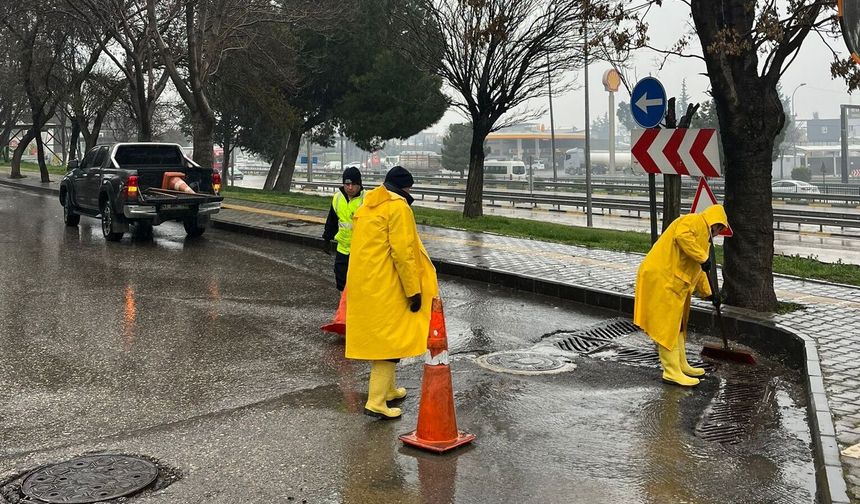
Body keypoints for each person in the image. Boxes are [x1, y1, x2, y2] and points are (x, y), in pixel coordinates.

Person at [344, 166, 438, 419]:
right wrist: (413, 290)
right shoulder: (398, 207)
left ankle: (389, 390)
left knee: (386, 338)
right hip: (388, 284)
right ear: (405, 186)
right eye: (409, 188)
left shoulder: (368, 205)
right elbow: (403, 253)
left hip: (367, 283)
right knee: (389, 343)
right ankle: (376, 401)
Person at [633, 204, 729, 387]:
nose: (718, 234)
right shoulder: (692, 221)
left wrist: (710, 294)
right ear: (715, 224)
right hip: (663, 279)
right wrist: (703, 258)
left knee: (678, 326)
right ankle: (671, 372)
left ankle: (681, 365)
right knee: (667, 327)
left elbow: (699, 269)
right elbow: (682, 237)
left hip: (674, 283)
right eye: (719, 230)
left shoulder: (703, 238)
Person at [322, 167, 365, 291]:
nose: (350, 188)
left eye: (354, 184)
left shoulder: (367, 199)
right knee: (341, 281)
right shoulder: (337, 198)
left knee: (359, 284)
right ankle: (343, 303)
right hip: (343, 249)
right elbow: (332, 220)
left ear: (359, 184)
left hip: (360, 250)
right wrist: (326, 238)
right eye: (347, 184)